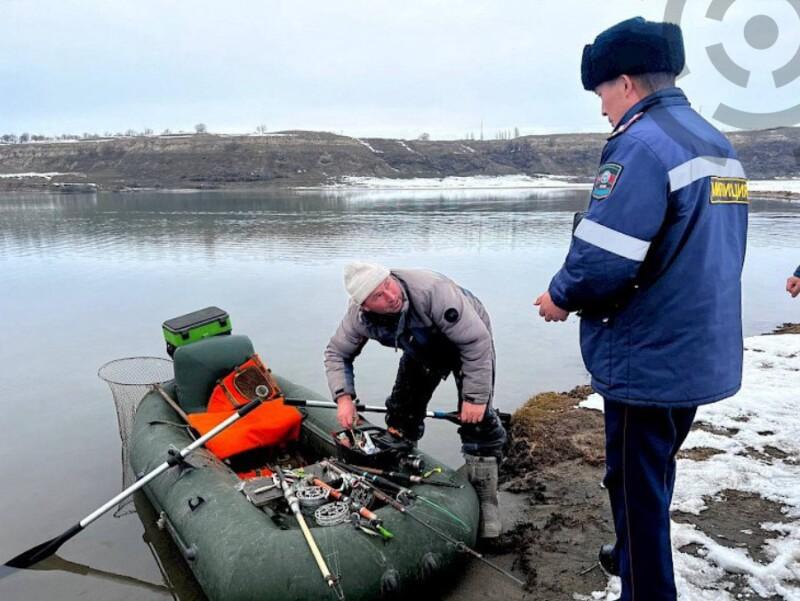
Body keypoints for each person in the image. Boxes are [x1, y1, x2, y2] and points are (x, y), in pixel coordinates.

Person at [534, 17, 748, 601]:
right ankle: (628, 551)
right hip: (699, 346)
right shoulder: (715, 144)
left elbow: (604, 258)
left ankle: (645, 589)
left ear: (625, 83)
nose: (601, 107)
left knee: (634, 486)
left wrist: (559, 295)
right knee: (650, 471)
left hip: (648, 355)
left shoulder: (641, 144)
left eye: (601, 92)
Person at [324, 262, 507, 538]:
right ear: (365, 306)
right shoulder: (358, 319)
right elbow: (336, 353)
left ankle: (487, 506)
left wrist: (475, 398)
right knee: (400, 415)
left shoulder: (433, 292)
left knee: (477, 422)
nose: (390, 295)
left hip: (467, 340)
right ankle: (405, 480)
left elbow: (476, 342)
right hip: (420, 346)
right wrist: (343, 397)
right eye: (378, 296)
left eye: (388, 284)